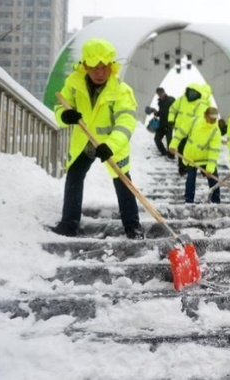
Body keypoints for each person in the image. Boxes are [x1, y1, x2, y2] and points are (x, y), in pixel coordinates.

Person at [51, 38, 144, 239]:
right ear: (85, 66)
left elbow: (126, 122)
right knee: (74, 176)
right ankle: (69, 222)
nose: (100, 73)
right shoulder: (73, 83)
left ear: (111, 66)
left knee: (123, 182)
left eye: (104, 67)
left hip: (112, 145)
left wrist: (109, 145)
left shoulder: (120, 90)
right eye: (94, 67)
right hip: (84, 140)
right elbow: (60, 106)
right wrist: (65, 116)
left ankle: (132, 226)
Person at [168, 107, 222, 204]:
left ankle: (216, 200)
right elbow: (180, 133)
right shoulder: (194, 121)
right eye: (211, 118)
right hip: (191, 157)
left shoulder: (216, 131)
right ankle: (189, 200)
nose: (213, 121)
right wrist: (173, 145)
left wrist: (210, 169)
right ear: (205, 115)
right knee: (190, 179)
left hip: (205, 158)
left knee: (213, 178)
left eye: (215, 118)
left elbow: (214, 151)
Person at [168, 83, 212, 176]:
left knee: (192, 150)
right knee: (181, 148)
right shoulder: (181, 100)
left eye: (194, 92)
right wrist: (171, 119)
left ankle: (195, 167)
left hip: (191, 131)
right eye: (190, 91)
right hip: (179, 129)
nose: (192, 94)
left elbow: (201, 116)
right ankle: (182, 167)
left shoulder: (199, 103)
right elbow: (172, 109)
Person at [147, 87, 175, 158]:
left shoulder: (171, 100)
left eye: (161, 93)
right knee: (157, 139)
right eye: (158, 94)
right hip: (161, 124)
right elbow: (161, 112)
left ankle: (171, 155)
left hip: (169, 124)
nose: (160, 95)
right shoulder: (160, 102)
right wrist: (155, 112)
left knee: (170, 141)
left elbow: (176, 110)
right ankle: (164, 152)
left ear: (164, 92)